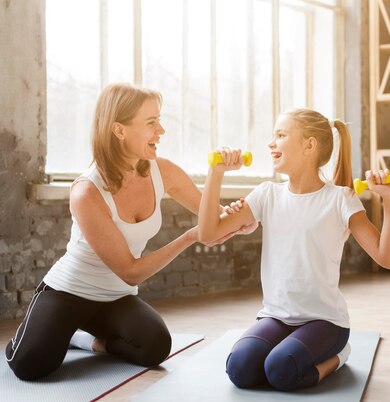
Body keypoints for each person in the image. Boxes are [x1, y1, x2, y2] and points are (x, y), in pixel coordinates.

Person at [5, 83, 255, 381]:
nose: (161, 131)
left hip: (115, 298)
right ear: (119, 130)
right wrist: (189, 236)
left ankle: (87, 341)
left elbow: (211, 222)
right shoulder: (87, 191)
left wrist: (241, 217)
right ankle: (54, 332)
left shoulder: (162, 170)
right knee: (30, 365)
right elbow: (130, 271)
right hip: (68, 293)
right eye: (151, 123)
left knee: (155, 346)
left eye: (159, 120)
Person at [197, 108, 390, 391]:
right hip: (275, 317)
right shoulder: (267, 194)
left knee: (281, 371)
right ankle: (288, 351)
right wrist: (215, 173)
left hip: (325, 322)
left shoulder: (341, 199)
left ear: (309, 145)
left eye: (280, 135)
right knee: (239, 368)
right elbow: (208, 234)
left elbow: (386, 258)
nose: (271, 143)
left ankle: (340, 356)